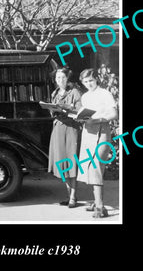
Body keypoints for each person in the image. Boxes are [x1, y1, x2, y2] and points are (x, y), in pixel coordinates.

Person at [76, 68, 117, 218]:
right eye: (85, 82)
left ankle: (100, 207)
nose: (89, 84)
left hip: (102, 131)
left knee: (96, 167)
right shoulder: (85, 96)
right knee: (88, 167)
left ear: (96, 79)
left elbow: (114, 114)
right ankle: (96, 200)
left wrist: (98, 120)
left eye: (91, 81)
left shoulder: (105, 93)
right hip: (88, 132)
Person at [48, 67, 83, 208]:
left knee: (71, 162)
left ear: (67, 78)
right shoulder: (55, 93)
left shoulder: (74, 92)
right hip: (58, 129)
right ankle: (69, 196)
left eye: (62, 77)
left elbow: (80, 110)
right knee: (62, 163)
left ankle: (73, 197)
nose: (60, 80)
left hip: (71, 129)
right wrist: (53, 109)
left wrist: (67, 108)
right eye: (57, 78)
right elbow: (52, 112)